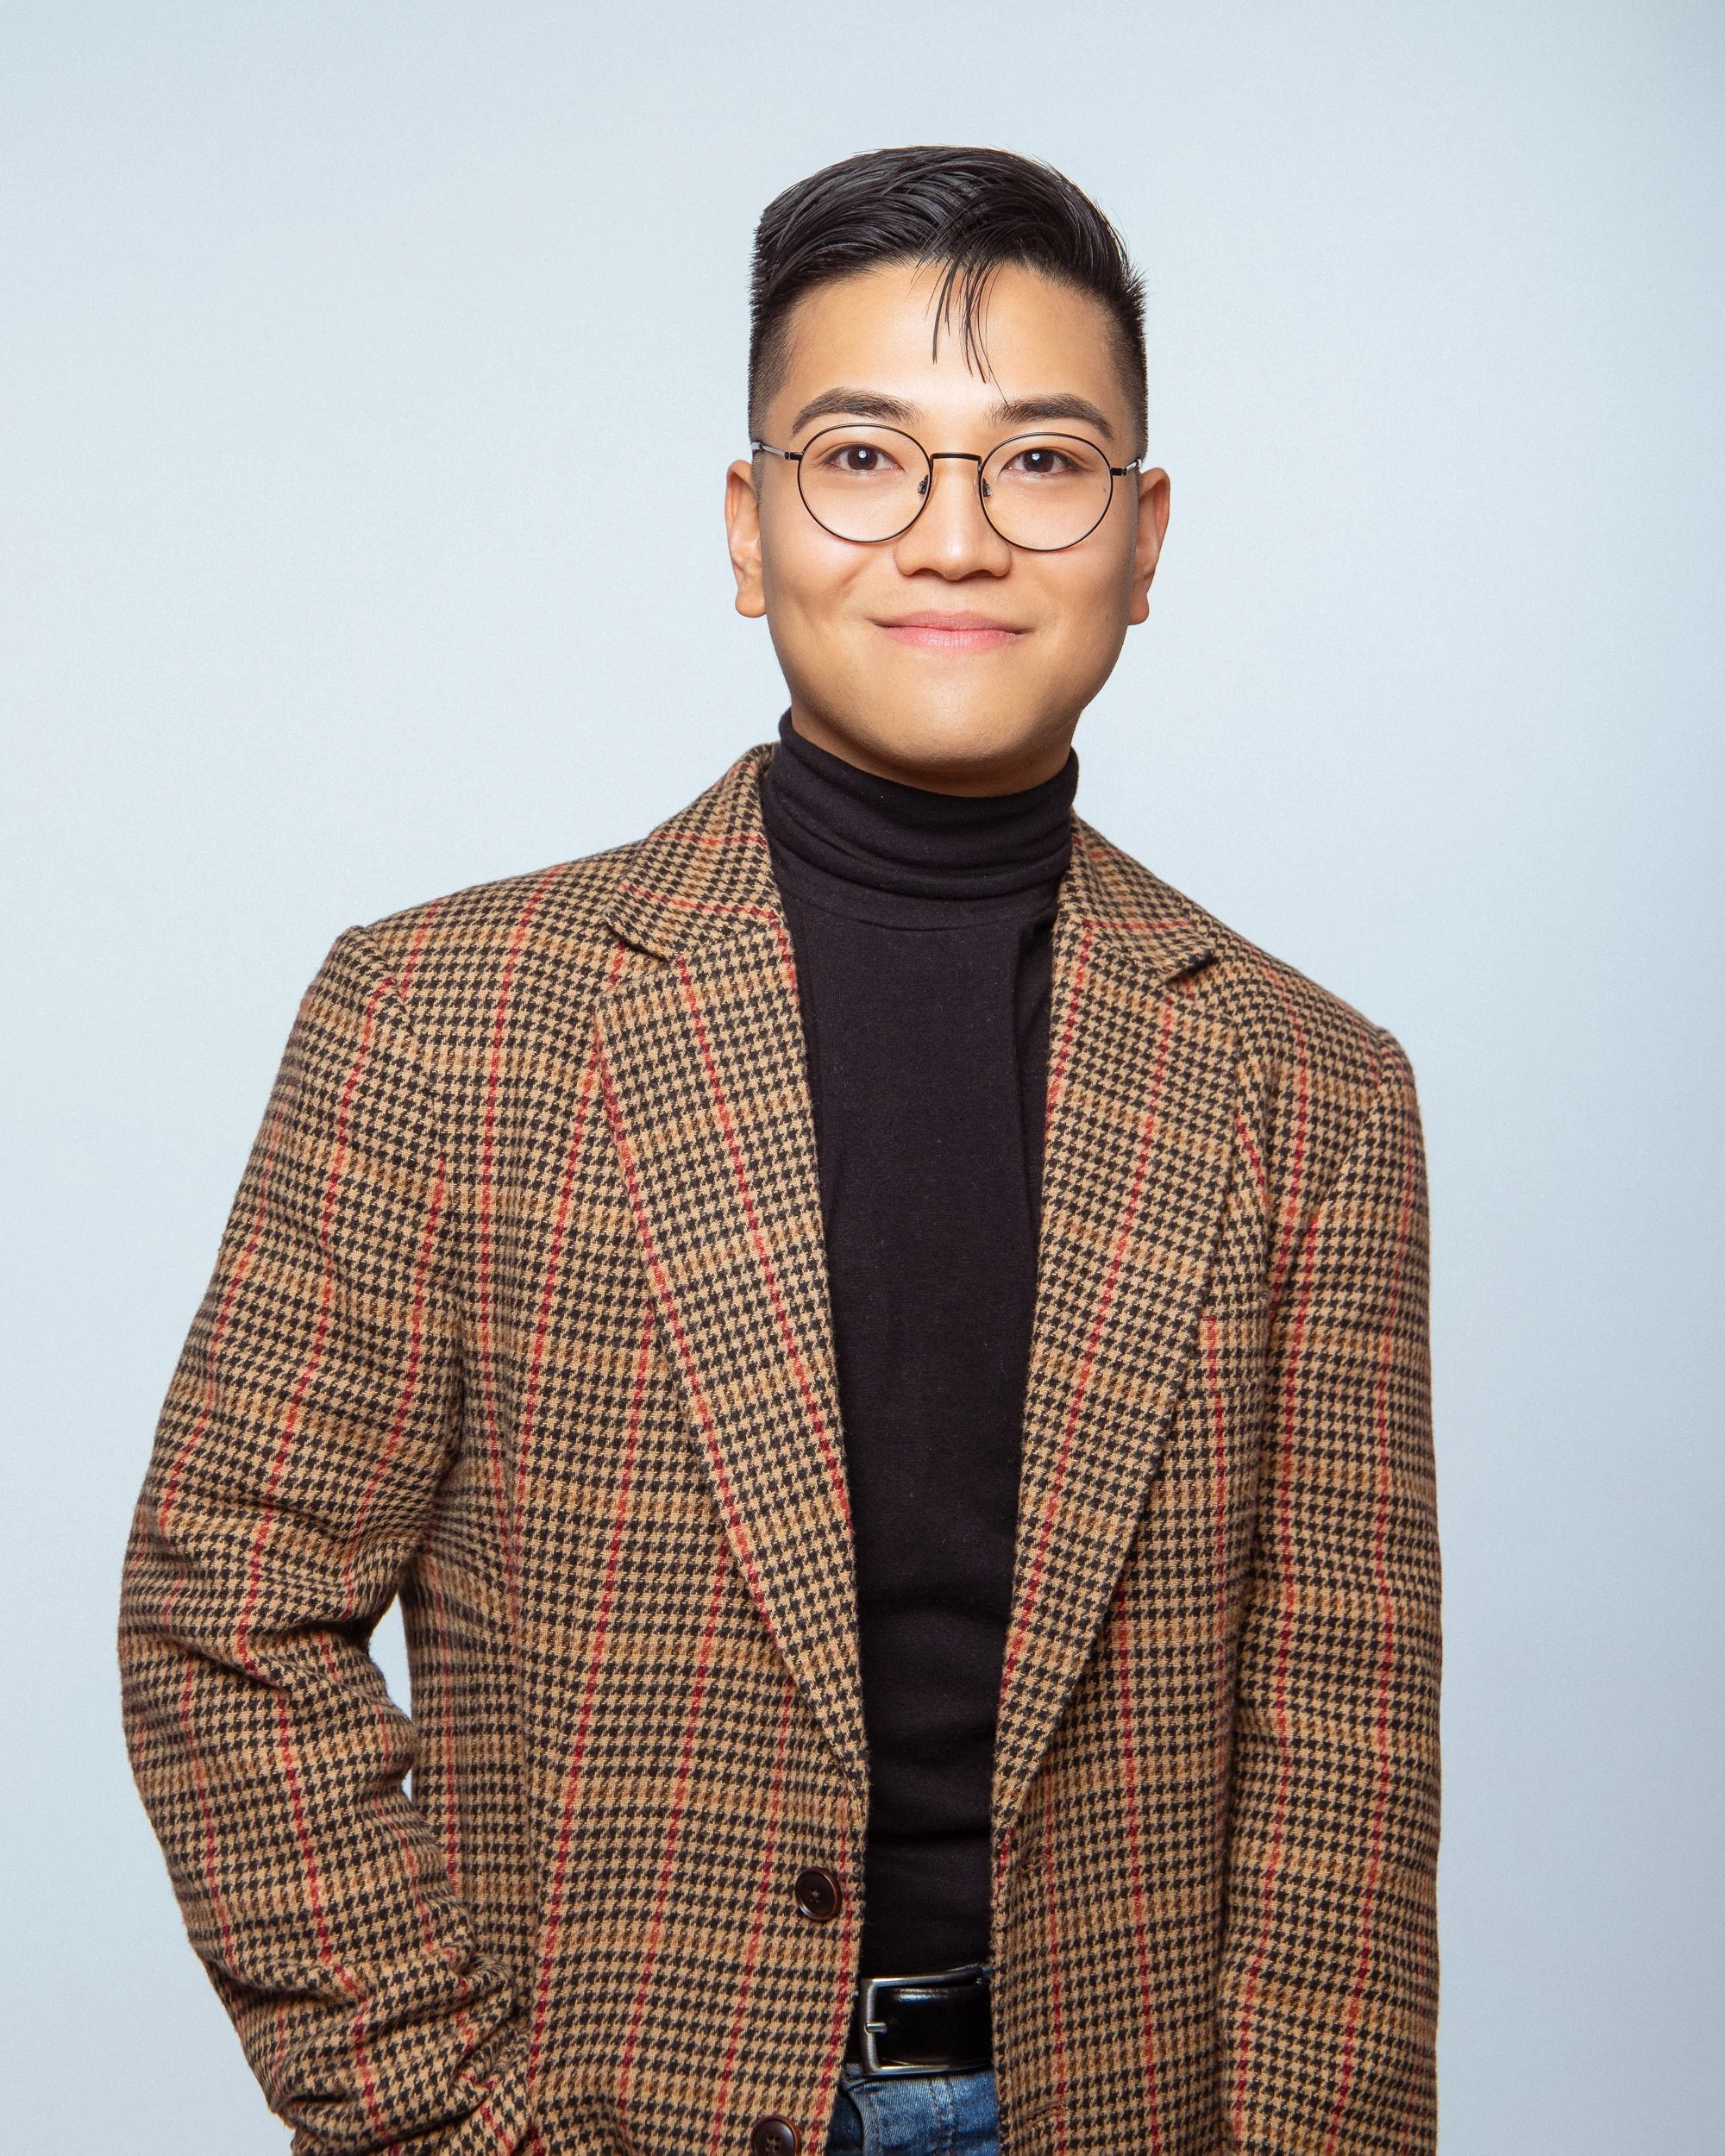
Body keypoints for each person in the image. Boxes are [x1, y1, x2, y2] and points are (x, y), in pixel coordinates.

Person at [121, 146, 1440, 2156]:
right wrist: (437, 2122)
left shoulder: (1307, 1084)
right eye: (861, 458)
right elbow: (225, 1608)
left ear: (1143, 533)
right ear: (749, 528)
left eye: (1042, 461)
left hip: (1115, 2102)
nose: (952, 536)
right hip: (599, 2099)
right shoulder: (442, 1016)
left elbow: (1343, 1757)